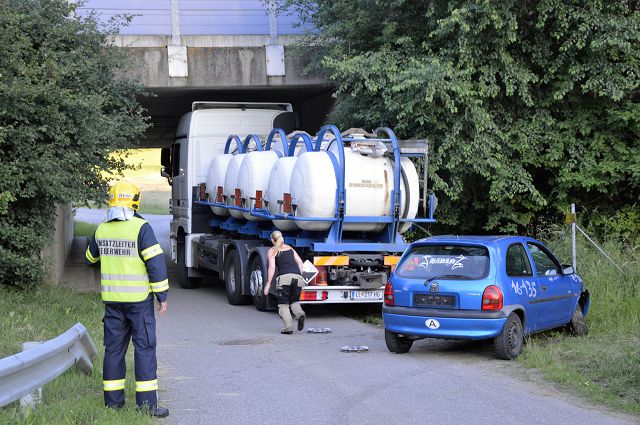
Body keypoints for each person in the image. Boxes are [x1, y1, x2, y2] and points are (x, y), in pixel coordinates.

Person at [84, 180, 170, 418]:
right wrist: (162, 295)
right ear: (135, 201)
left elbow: (89, 258)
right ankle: (146, 407)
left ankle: (113, 404)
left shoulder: (101, 229)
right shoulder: (141, 228)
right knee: (144, 349)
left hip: (112, 302)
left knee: (113, 351)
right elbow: (155, 263)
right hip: (139, 303)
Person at [263, 230, 306, 334]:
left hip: (284, 278)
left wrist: (268, 284)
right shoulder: (290, 248)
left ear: (272, 240)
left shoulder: (272, 251)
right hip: (297, 277)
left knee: (283, 304)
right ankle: (300, 314)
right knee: (294, 301)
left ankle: (288, 328)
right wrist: (299, 275)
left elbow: (272, 267)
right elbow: (300, 262)